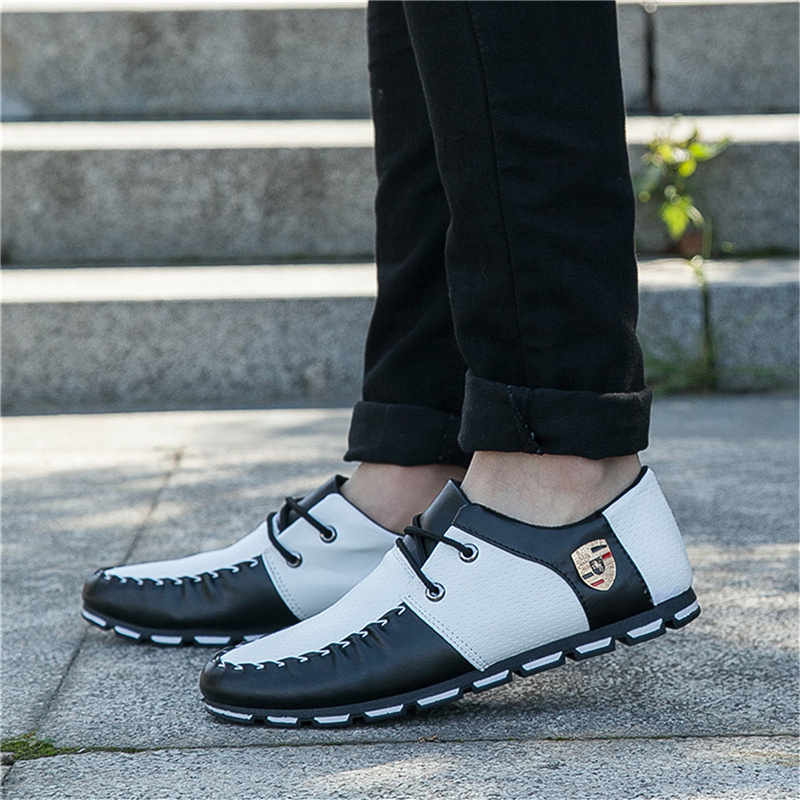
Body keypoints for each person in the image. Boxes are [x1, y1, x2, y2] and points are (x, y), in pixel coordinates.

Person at [82, 1, 699, 726]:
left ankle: (558, 473)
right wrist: (417, 431)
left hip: (559, 461)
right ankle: (420, 465)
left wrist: (557, 418)